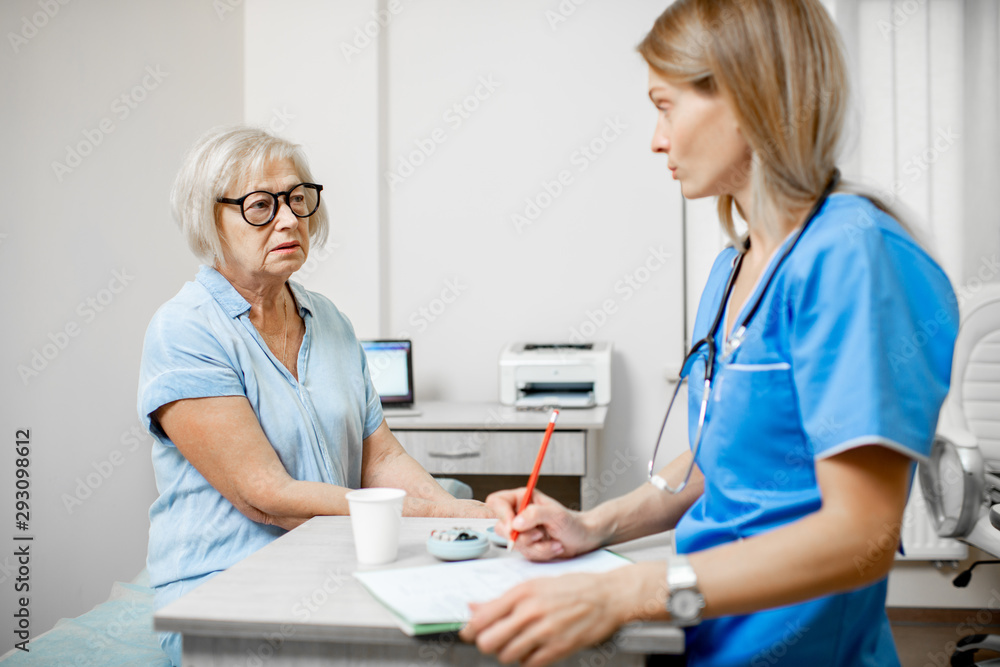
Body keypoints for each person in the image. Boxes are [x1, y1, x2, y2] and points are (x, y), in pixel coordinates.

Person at [460, 1, 957, 665]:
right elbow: (717, 453)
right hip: (703, 638)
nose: (656, 139)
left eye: (665, 106)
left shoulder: (854, 256)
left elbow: (860, 533)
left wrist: (627, 589)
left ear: (747, 97)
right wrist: (594, 524)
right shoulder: (734, 266)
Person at [138, 126, 491, 666]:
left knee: (479, 634)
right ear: (209, 218)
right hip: (222, 588)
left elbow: (382, 456)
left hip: (329, 565)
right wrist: (418, 512)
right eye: (260, 206)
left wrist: (462, 513)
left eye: (297, 200)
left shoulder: (328, 320)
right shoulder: (185, 330)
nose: (288, 220)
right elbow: (266, 494)